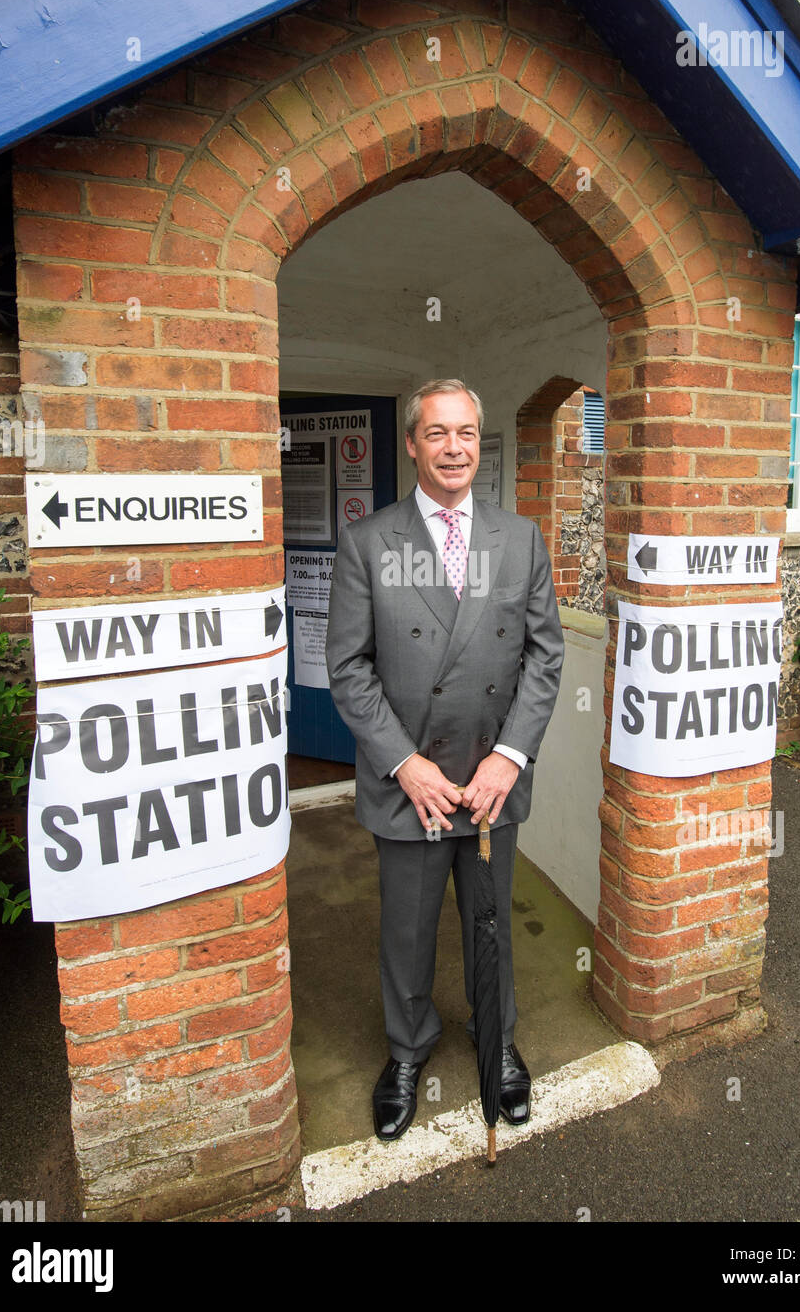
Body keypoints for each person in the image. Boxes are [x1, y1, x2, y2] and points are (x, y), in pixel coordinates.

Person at [325, 378, 564, 1142]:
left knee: (489, 924)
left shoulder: (518, 539)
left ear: (478, 440)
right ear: (412, 443)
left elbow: (542, 656)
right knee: (407, 930)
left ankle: (495, 1044)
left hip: (490, 784)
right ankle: (406, 1051)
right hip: (414, 788)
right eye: (437, 433)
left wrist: (509, 757)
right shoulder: (369, 542)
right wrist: (403, 763)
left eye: (465, 432)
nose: (453, 447)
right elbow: (349, 669)